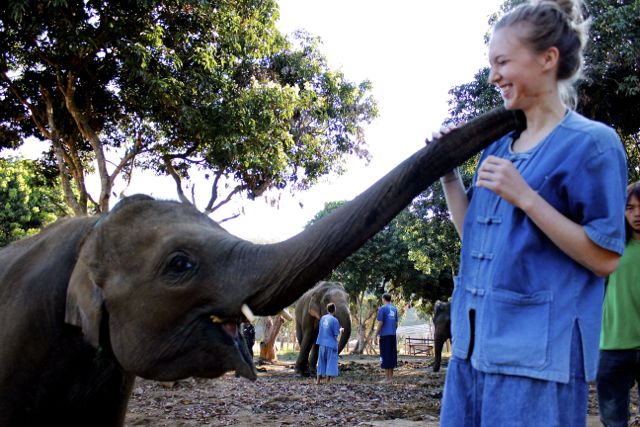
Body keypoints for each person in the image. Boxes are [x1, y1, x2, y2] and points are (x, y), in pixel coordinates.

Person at [428, 0, 628, 425]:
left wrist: (528, 198)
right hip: (471, 351)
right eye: (490, 63)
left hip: (537, 360)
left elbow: (605, 257)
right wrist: (448, 176)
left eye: (502, 61)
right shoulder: (497, 148)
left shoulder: (593, 144)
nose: (494, 75)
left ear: (547, 59)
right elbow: (476, 241)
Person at [597, 181, 640, 427]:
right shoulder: (613, 247)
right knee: (613, 421)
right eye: (630, 207)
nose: (637, 214)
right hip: (613, 345)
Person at [315, 302, 343, 384]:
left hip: (322, 343)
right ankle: (327, 381)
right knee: (330, 362)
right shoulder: (335, 320)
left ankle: (318, 381)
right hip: (331, 344)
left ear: (327, 310)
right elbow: (336, 333)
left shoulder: (323, 318)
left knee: (321, 361)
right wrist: (341, 330)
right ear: (334, 310)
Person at [375, 293, 399, 383]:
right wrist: (392, 329)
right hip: (393, 335)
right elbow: (396, 324)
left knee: (385, 355)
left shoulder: (382, 309)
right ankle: (391, 378)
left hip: (385, 336)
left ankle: (386, 378)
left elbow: (380, 323)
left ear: (383, 299)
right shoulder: (394, 308)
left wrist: (376, 335)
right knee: (392, 356)